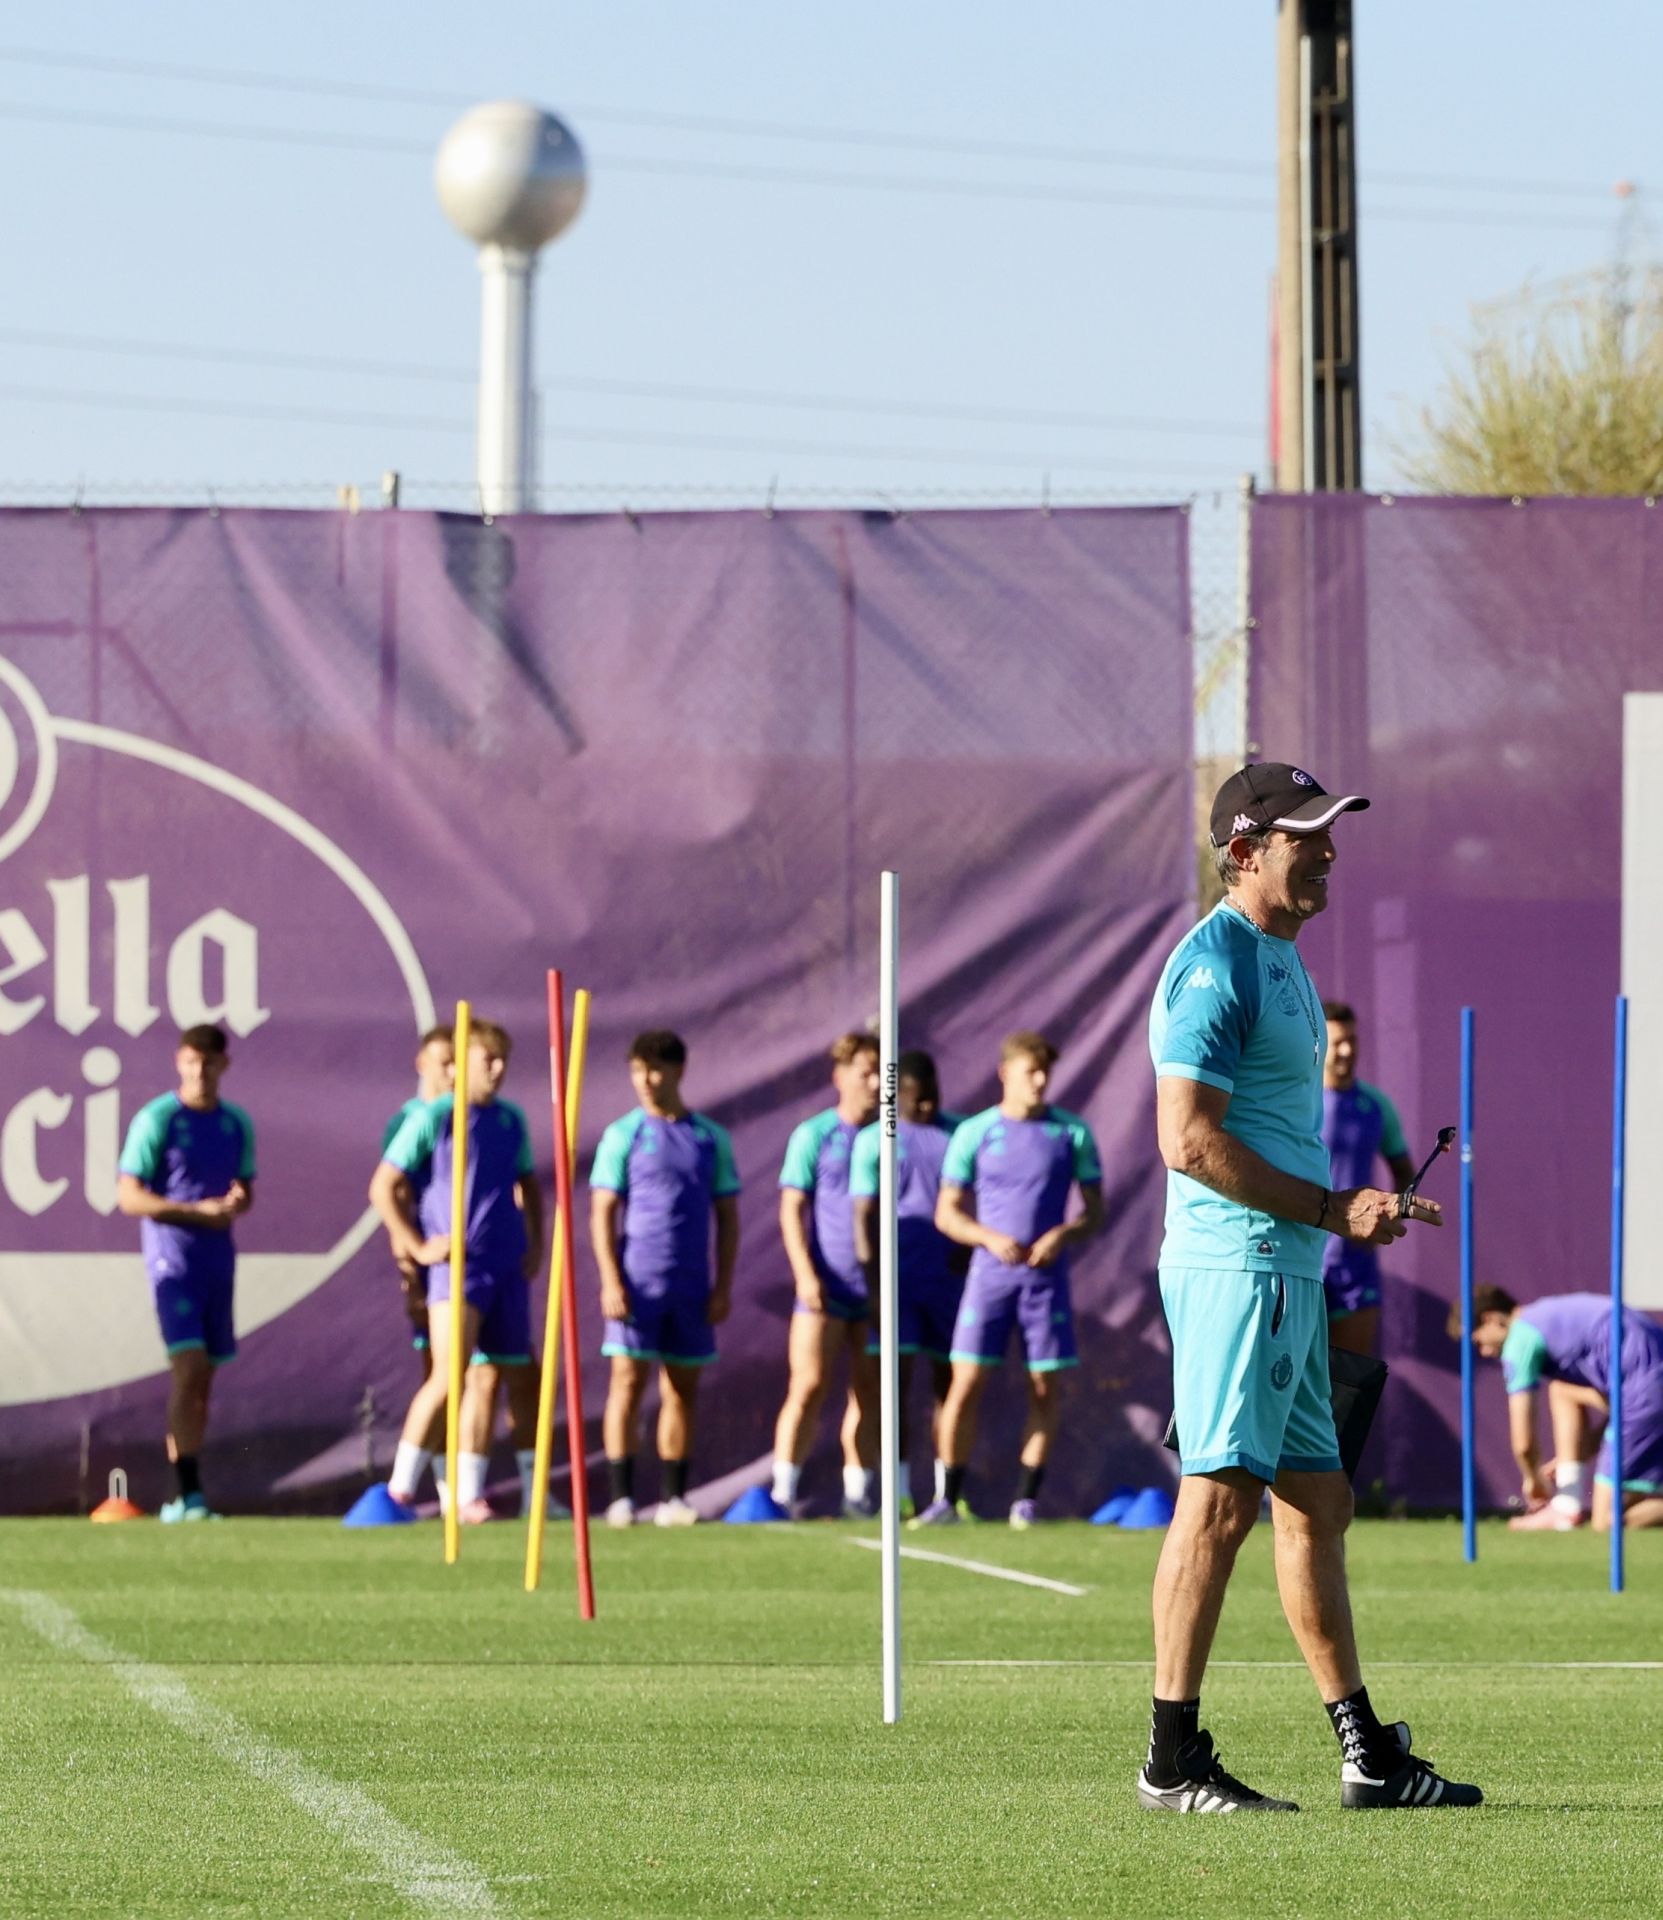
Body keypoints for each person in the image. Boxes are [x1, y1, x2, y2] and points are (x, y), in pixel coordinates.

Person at [1142, 762, 1479, 1813]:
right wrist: (1334, 1209)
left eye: (1331, 832)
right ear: (1243, 850)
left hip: (1284, 1273)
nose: (1329, 848)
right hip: (1237, 1267)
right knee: (1216, 1503)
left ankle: (1365, 1753)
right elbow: (1185, 1142)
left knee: (1318, 1505)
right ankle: (1170, 1759)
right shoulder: (1214, 967)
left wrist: (1339, 1215)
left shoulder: (1279, 958)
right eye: (1306, 834)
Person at [916, 1033, 1103, 1529]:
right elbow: (946, 1214)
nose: (1040, 1082)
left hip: (1046, 1283)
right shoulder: (975, 1134)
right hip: (988, 1279)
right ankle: (945, 1499)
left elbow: (1095, 1212)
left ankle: (1026, 1502)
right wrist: (986, 1237)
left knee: (1044, 1387)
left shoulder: (1072, 1133)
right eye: (1030, 1072)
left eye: (1045, 1072)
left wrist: (1064, 1233)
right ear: (1006, 1074)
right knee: (966, 1383)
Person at [372, 1019, 545, 1522]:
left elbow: (530, 1185)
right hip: (458, 1268)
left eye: (503, 1060)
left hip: (505, 1266)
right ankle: (398, 1492)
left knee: (510, 1375)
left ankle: (472, 1495)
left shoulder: (511, 1120)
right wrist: (417, 1247)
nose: (497, 1069)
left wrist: (535, 1242)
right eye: (487, 1059)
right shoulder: (437, 1116)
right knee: (449, 1374)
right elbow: (384, 1186)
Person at [591, 1030, 741, 1529]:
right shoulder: (624, 1135)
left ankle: (674, 1498)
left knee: (682, 1389)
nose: (646, 1081)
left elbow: (728, 1218)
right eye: (637, 1070)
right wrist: (611, 1280)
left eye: (655, 1070)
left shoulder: (709, 1138)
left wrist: (722, 1286)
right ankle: (620, 1499)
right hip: (637, 1284)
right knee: (627, 1382)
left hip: (691, 1287)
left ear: (679, 1071)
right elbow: (602, 1213)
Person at [117, 1024, 257, 1523]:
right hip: (170, 1260)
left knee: (205, 1378)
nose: (199, 1071)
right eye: (191, 1061)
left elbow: (244, 1189)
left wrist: (236, 1202)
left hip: (217, 1261)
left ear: (224, 1065)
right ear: (179, 1062)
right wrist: (195, 1211)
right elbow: (129, 1195)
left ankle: (188, 1497)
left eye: (209, 1062)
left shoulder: (235, 1123)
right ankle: (188, 1492)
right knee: (190, 1366)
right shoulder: (157, 1118)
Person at [764, 1031, 881, 1518]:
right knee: (808, 1384)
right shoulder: (814, 1135)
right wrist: (805, 1275)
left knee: (871, 1390)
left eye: (881, 1073)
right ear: (840, 1077)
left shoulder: (887, 1136)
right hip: (825, 1288)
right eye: (865, 1073)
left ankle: (860, 1493)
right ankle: (782, 1492)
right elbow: (792, 1209)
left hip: (875, 1291)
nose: (875, 1083)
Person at [849, 1049, 964, 1519]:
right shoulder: (875, 1141)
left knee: (949, 1386)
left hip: (948, 1283)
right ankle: (894, 1492)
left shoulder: (958, 1133)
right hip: (897, 1283)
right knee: (893, 1388)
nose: (926, 1104)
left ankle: (945, 1497)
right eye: (916, 1096)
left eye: (932, 1093)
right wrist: (874, 1284)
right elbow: (862, 1215)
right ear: (900, 1094)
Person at [1454, 1285, 1663, 1531]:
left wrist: (1534, 1479)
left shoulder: (1520, 1340)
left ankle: (1566, 1508)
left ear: (1491, 1319)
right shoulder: (1543, 1314)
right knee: (1561, 1390)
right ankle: (1567, 1504)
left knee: (1605, 1521)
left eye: (1479, 1341)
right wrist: (1572, 1459)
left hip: (1646, 1394)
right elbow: (1618, 1403)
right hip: (1646, 1388)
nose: (1485, 1352)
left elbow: (1524, 1444)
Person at [1320, 1002, 1414, 1357]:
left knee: (1348, 1387)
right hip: (1301, 1260)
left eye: (1353, 1041)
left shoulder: (1376, 1105)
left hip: (1356, 1266)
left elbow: (1405, 1172)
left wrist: (1387, 1216)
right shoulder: (1295, 1100)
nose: (1347, 1051)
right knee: (1293, 1386)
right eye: (1338, 1042)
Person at [381, 1025, 456, 1380]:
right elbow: (394, 1199)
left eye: (459, 1062)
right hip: (432, 1262)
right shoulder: (407, 1122)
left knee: (497, 1369)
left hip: (473, 1257)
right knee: (440, 1371)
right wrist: (412, 1274)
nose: (454, 1072)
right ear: (422, 1064)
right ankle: (429, 1440)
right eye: (445, 1063)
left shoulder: (471, 1116)